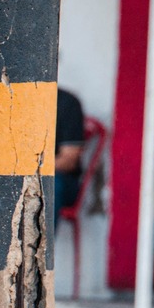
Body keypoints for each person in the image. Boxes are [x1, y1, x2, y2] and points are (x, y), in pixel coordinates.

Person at [55, 88, 86, 227]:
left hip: (62, 180)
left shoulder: (66, 102)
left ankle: (43, 247)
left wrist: (28, 168)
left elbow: (68, 161)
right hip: (24, 173)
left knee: (50, 185)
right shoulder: (14, 98)